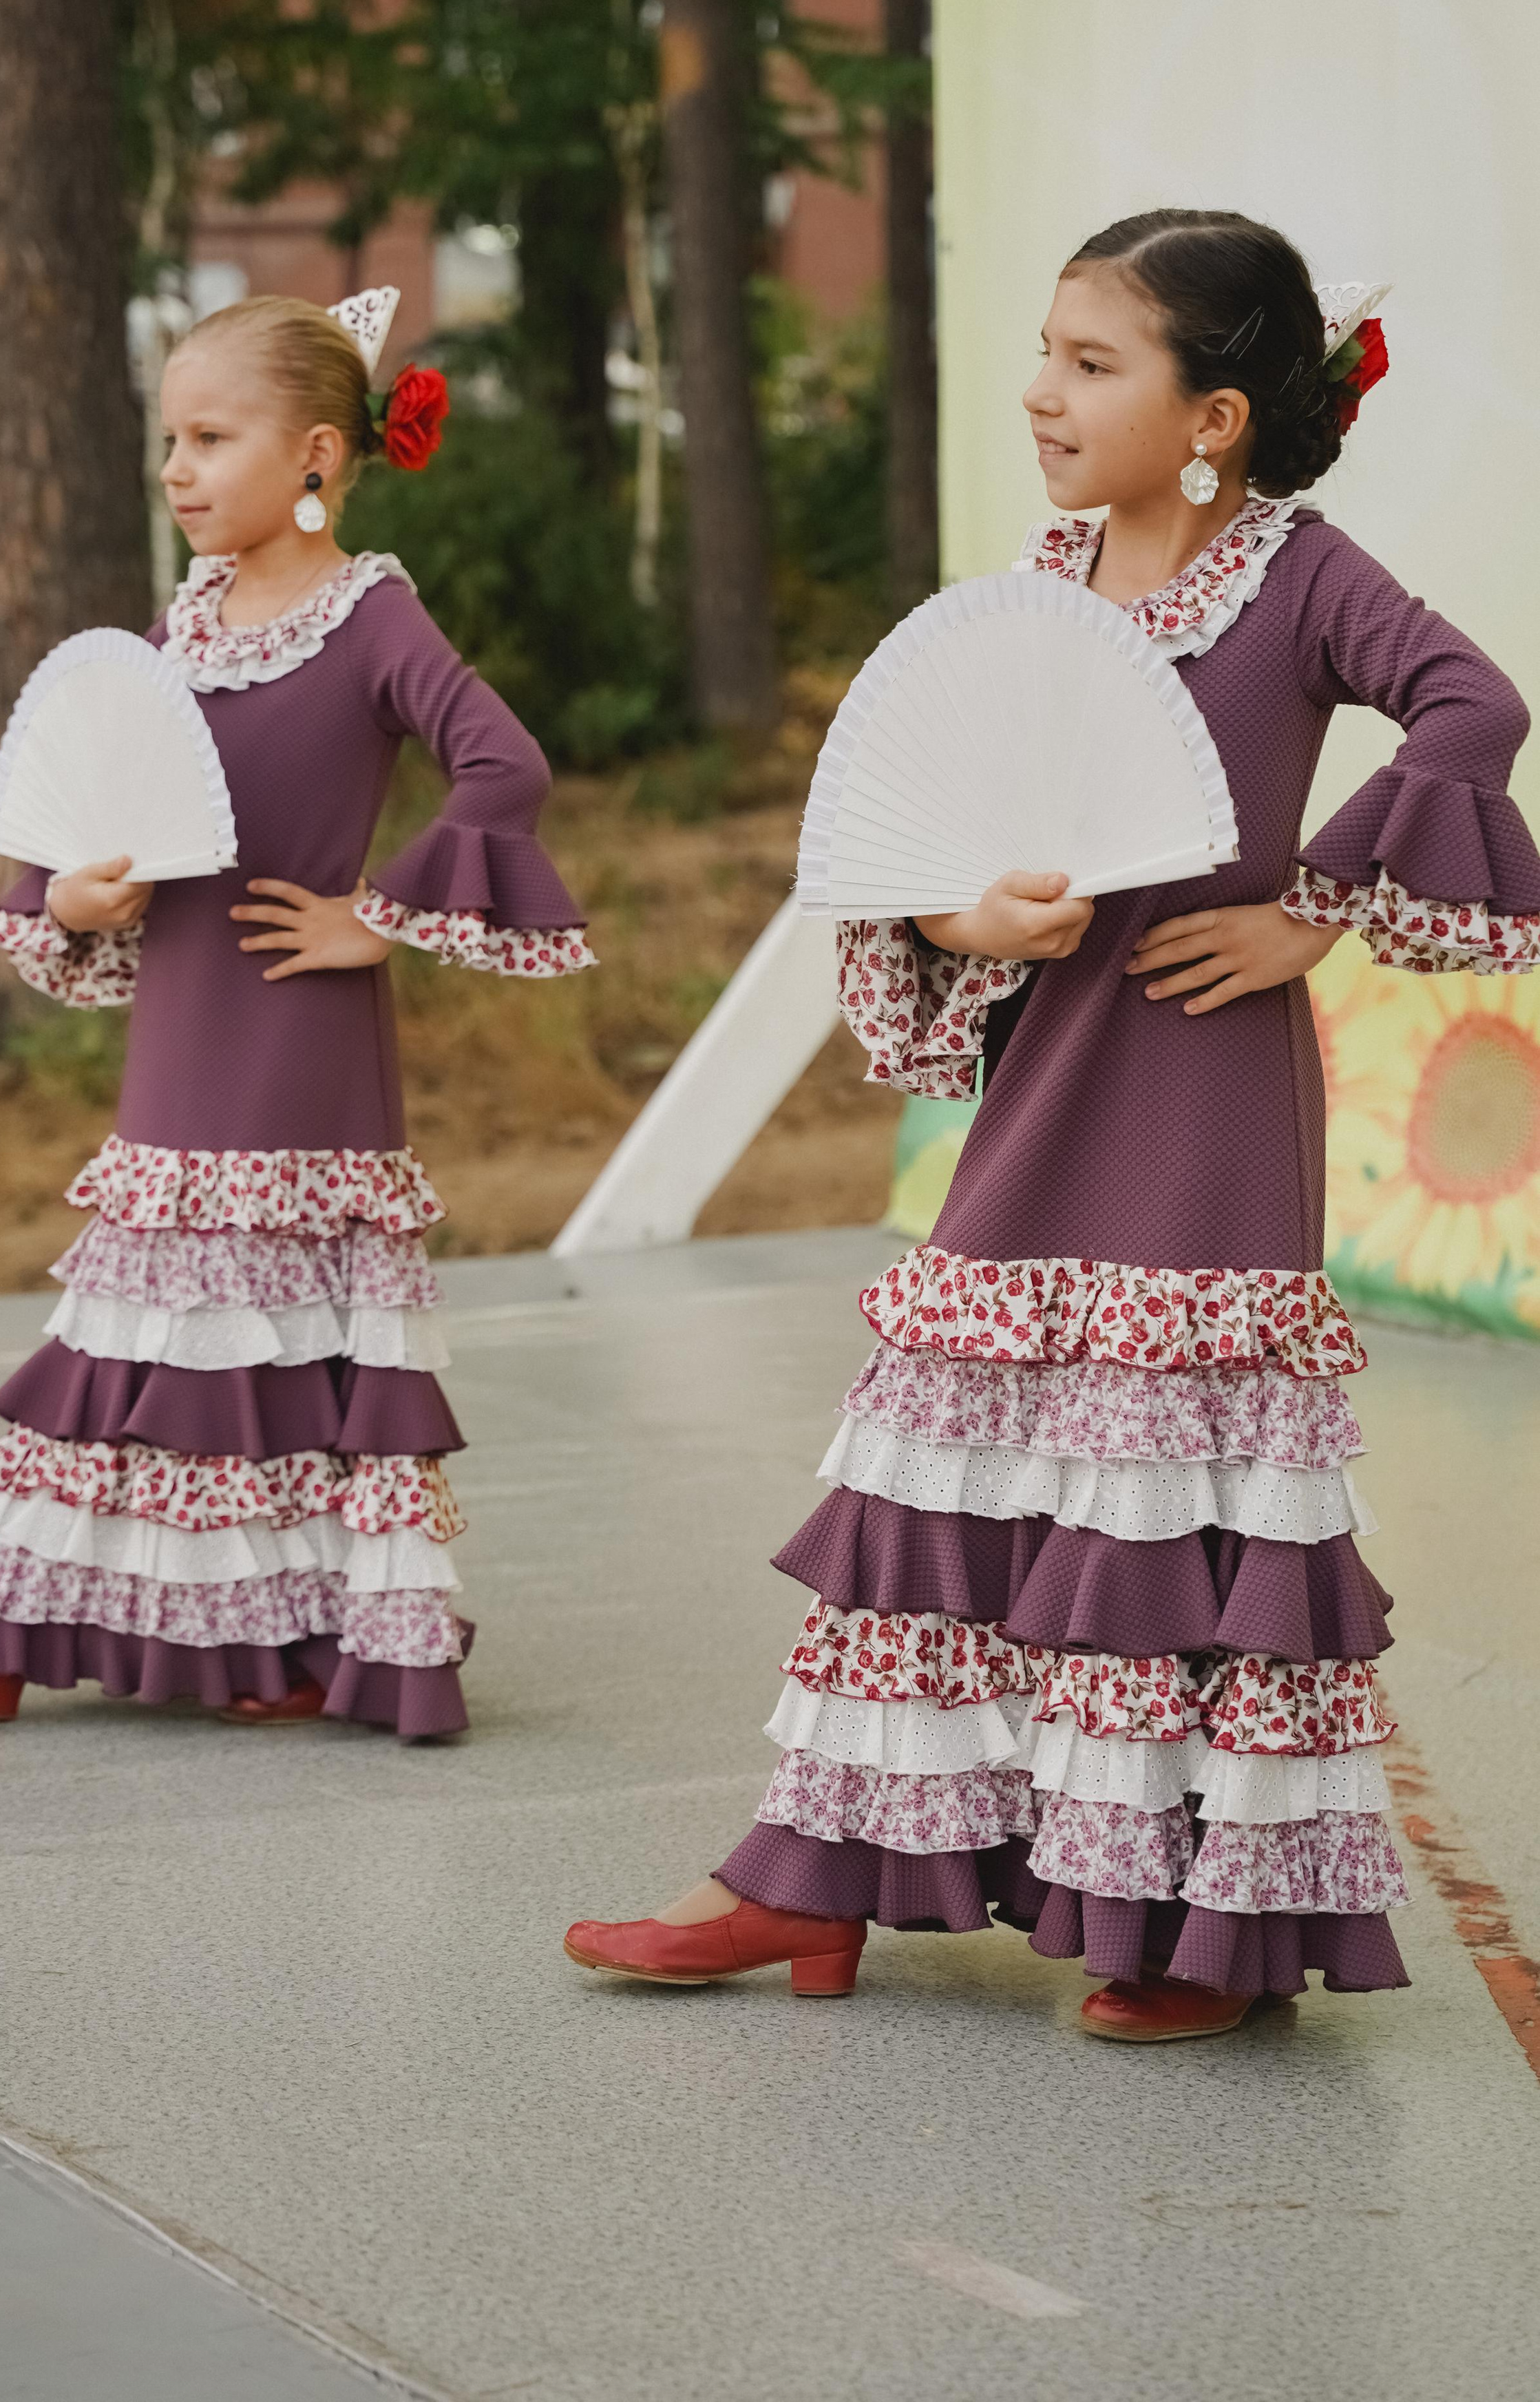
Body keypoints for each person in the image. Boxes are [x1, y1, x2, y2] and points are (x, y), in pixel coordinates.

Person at [567, 209, 1540, 2038]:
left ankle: (1191, 1928)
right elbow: (927, 849)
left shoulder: (1304, 576)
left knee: (1164, 1510)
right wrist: (961, 923)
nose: (1041, 392)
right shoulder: (1033, 586)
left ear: (1217, 416)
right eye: (1045, 352)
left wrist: (1312, 908)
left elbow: (1475, 704)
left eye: (1093, 364)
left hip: (1211, 1091)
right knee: (942, 1475)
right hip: (1048, 1076)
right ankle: (809, 1872)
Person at [0, 288, 591, 1739]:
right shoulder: (184, 624)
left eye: (207, 438)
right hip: (179, 1026)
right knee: (139, 1337)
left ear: (308, 455)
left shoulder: (374, 616)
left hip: (300, 1038)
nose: (174, 467)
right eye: (167, 436)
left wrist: (379, 917)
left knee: (273, 1344)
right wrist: (74, 900)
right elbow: (105, 795)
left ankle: (246, 1639)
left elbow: (504, 768)